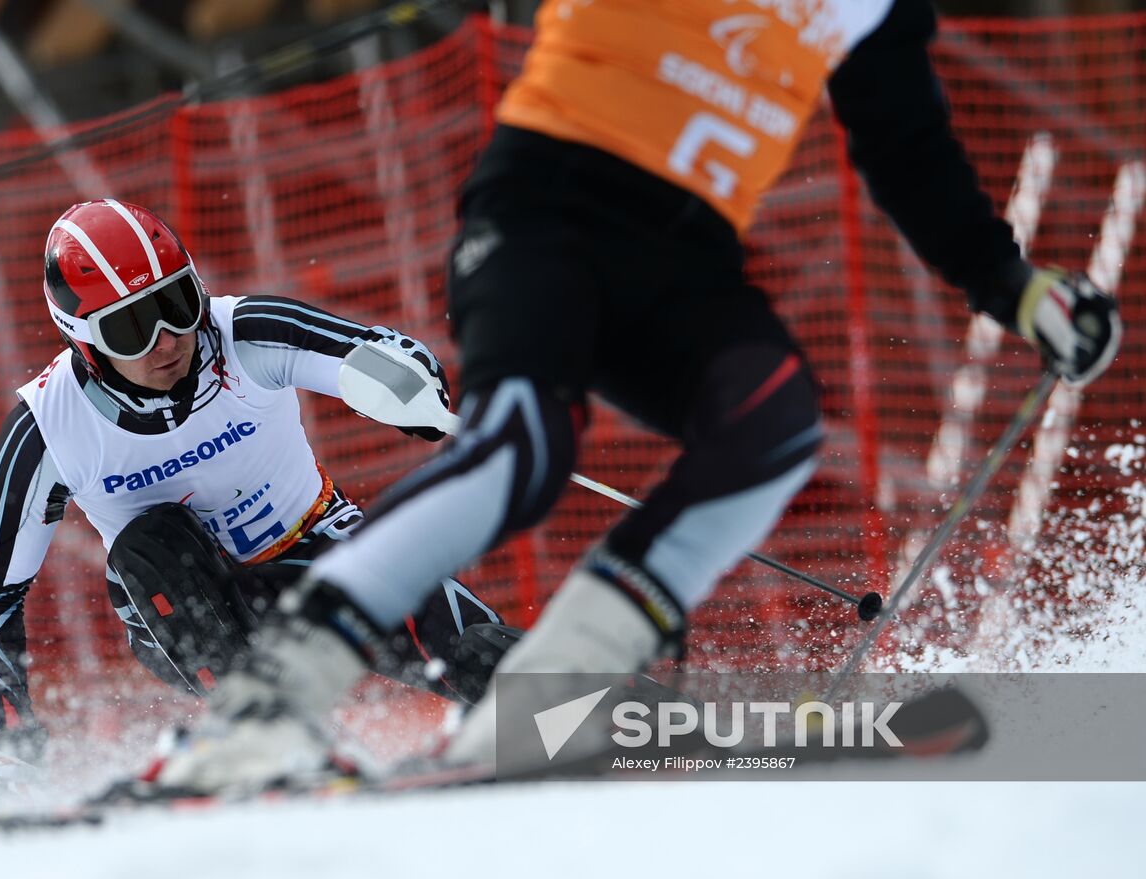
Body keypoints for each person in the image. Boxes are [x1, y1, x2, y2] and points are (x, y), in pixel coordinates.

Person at [150, 0, 1122, 790]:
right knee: (526, 444)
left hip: (683, 265)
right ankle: (268, 705)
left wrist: (1017, 290)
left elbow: (908, 148)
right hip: (546, 214)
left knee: (773, 420)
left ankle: (545, 702)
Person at [0, 198, 517, 796]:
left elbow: (387, 355)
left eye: (176, 304)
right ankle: (261, 738)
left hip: (316, 551)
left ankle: (599, 715)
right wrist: (15, 744)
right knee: (151, 546)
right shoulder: (52, 426)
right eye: (131, 327)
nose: (167, 341)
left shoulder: (244, 334)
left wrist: (406, 388)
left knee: (472, 648)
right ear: (84, 340)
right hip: (184, 603)